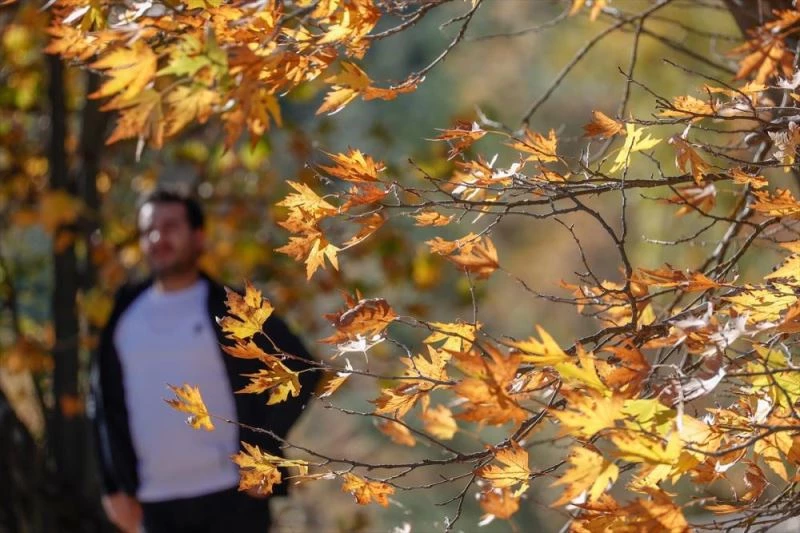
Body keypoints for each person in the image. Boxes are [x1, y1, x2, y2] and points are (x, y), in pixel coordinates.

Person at [90, 189, 318, 533]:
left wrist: (264, 453)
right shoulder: (123, 316)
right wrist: (113, 487)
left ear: (199, 236)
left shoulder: (234, 308)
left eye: (170, 226)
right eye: (148, 230)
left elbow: (302, 369)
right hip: (153, 504)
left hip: (233, 496)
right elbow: (103, 407)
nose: (157, 237)